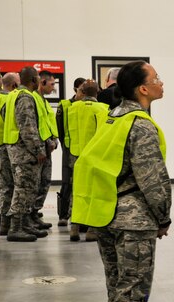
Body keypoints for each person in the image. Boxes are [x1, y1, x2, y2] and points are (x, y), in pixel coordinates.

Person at [72, 60, 171, 302]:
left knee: (118, 288)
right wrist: (163, 216)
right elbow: (152, 178)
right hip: (134, 222)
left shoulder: (114, 117)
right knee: (132, 292)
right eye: (156, 78)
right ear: (142, 89)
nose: (161, 82)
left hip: (107, 215)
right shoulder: (141, 125)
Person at [3, 66, 51, 241]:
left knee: (27, 189)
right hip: (24, 150)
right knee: (23, 190)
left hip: (15, 147)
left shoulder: (12, 95)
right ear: (33, 80)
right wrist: (38, 150)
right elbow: (28, 127)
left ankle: (25, 224)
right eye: (38, 77)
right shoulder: (25, 97)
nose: (40, 80)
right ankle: (16, 228)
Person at [66, 79, 109, 242]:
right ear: (97, 92)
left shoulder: (73, 108)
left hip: (75, 155)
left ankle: (74, 229)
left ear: (82, 92)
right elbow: (103, 134)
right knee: (94, 190)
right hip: (94, 156)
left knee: (76, 191)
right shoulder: (103, 109)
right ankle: (91, 230)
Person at [0, 72, 18, 236]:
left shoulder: (3, 97)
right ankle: (1, 222)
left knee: (0, 185)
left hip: (0, 145)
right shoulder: (4, 99)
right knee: (1, 185)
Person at [30, 70, 59, 230]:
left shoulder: (44, 101)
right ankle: (31, 216)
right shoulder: (33, 99)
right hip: (40, 149)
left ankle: (34, 215)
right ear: (42, 82)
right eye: (52, 84)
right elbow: (33, 125)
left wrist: (54, 141)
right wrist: (43, 145)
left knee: (44, 182)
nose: (53, 87)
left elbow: (47, 124)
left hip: (47, 148)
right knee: (36, 184)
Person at [56, 77, 86, 228]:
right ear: (75, 89)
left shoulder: (89, 105)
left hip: (85, 150)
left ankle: (81, 216)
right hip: (69, 149)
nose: (84, 92)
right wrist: (65, 146)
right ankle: (63, 215)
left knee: (83, 184)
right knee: (67, 183)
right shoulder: (65, 105)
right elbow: (60, 129)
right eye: (81, 89)